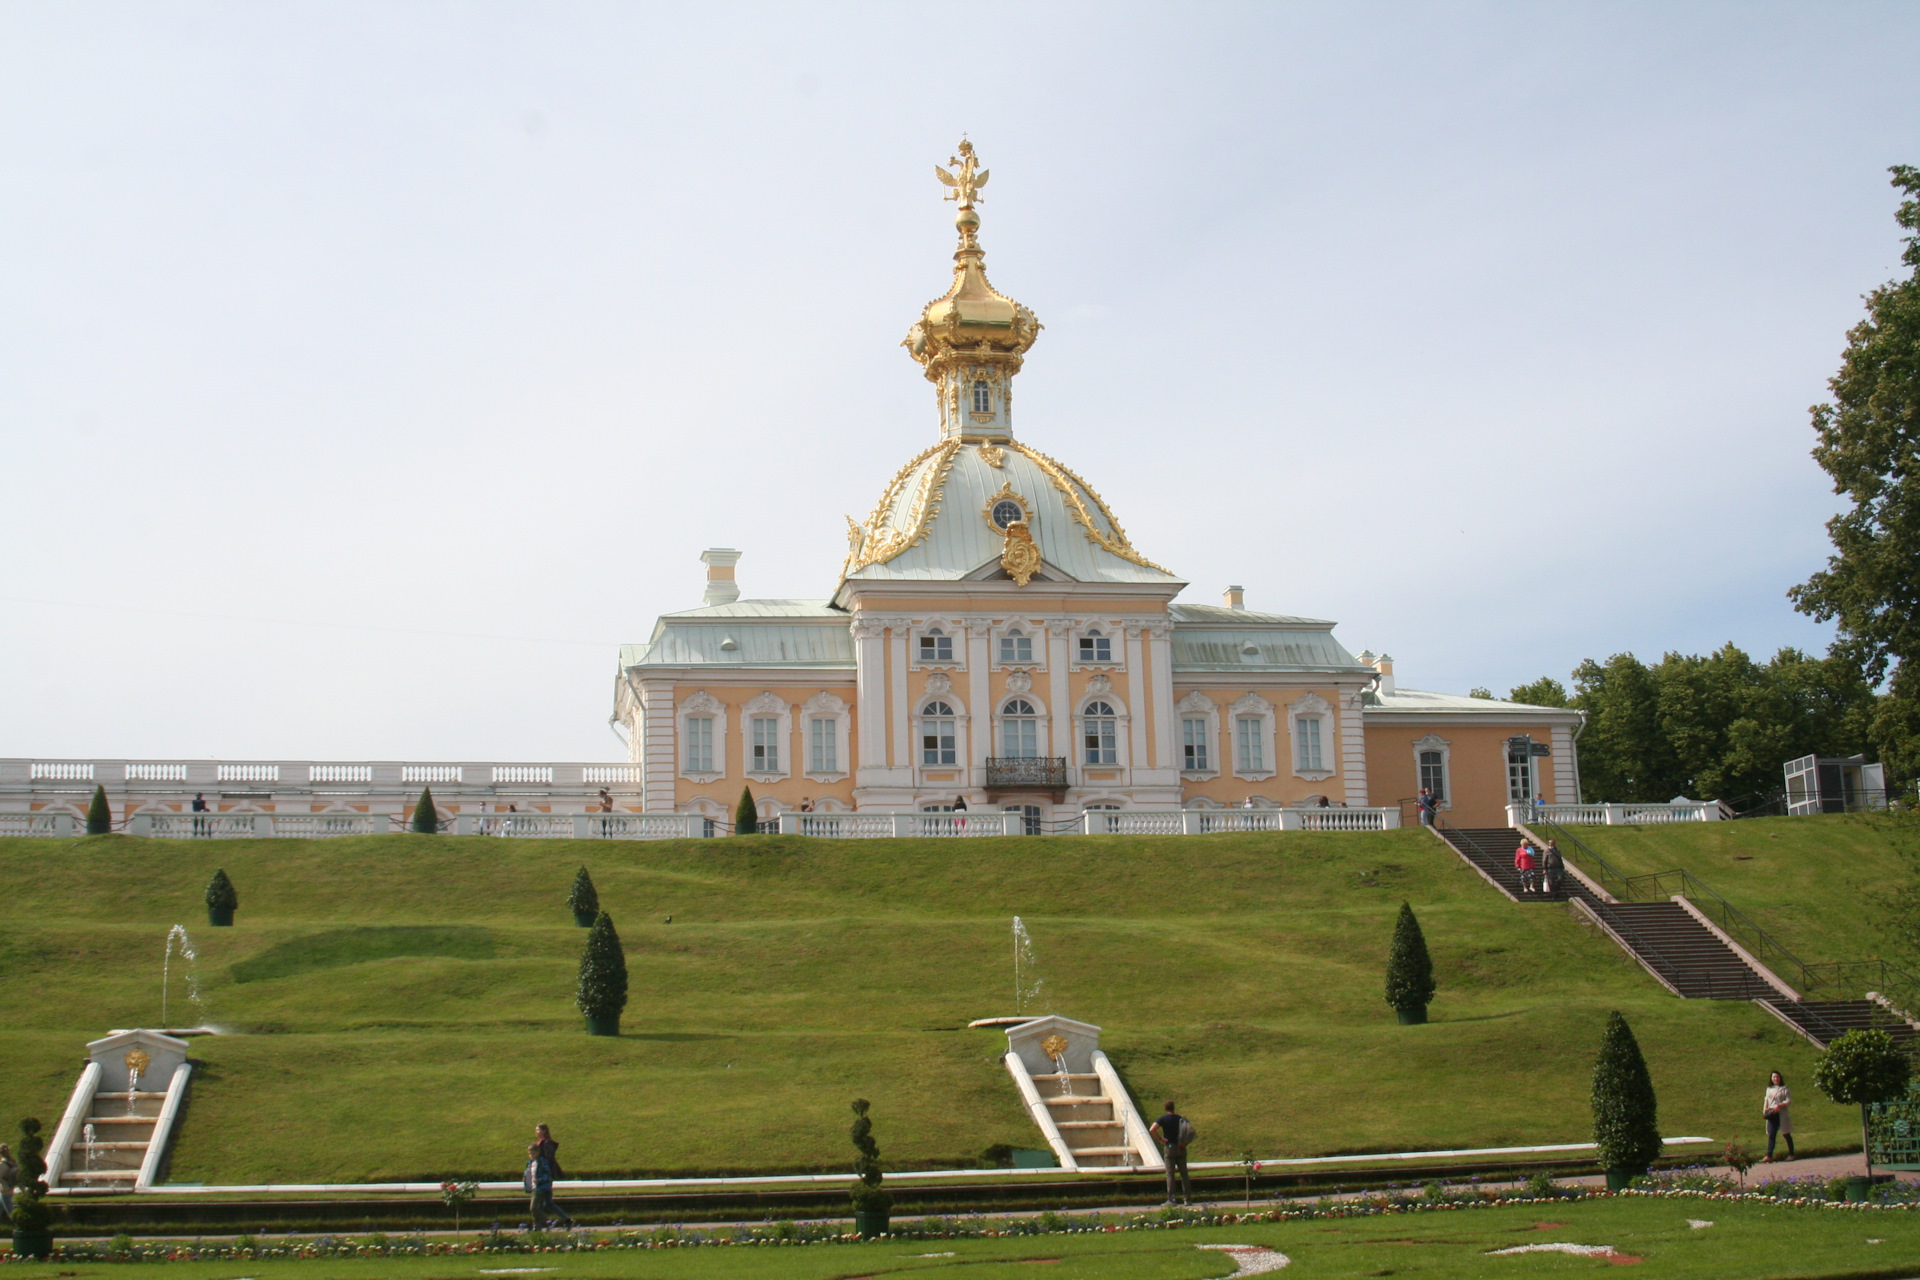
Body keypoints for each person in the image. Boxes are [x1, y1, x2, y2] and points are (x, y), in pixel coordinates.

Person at [525, 1123, 576, 1229]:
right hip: (544, 1177)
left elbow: (548, 1160)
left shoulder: (546, 1144)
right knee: (547, 1203)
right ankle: (566, 1220)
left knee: (536, 1206)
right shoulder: (543, 1143)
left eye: (538, 1130)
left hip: (543, 1178)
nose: (536, 1132)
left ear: (544, 1131)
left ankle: (543, 1223)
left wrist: (542, 1175)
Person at [1149, 1101, 1193, 1204]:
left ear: (1165, 1109)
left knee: (1170, 1175)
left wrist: (1160, 1139)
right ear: (1174, 1108)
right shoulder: (1180, 1119)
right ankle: (1187, 1199)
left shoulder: (1163, 1119)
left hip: (1169, 1147)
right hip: (1181, 1147)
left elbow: (1152, 1129)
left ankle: (1172, 1199)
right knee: (1184, 1174)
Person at [1763, 1070, 1795, 1162]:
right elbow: (1766, 1099)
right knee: (1771, 1134)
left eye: (1777, 1077)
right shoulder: (1769, 1089)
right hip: (1772, 1113)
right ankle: (1769, 1155)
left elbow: (1788, 1100)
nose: (1776, 1079)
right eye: (1774, 1077)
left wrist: (1779, 1105)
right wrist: (1765, 1109)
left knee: (1786, 1133)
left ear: (1780, 1078)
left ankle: (1791, 1154)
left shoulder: (1785, 1088)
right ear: (1771, 1079)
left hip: (1781, 1113)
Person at [0, 1141, 16, 1218]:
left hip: (4, 1190)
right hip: (11, 1188)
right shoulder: (13, 1162)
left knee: (11, 1213)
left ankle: (18, 1226)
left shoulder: (1, 1164)